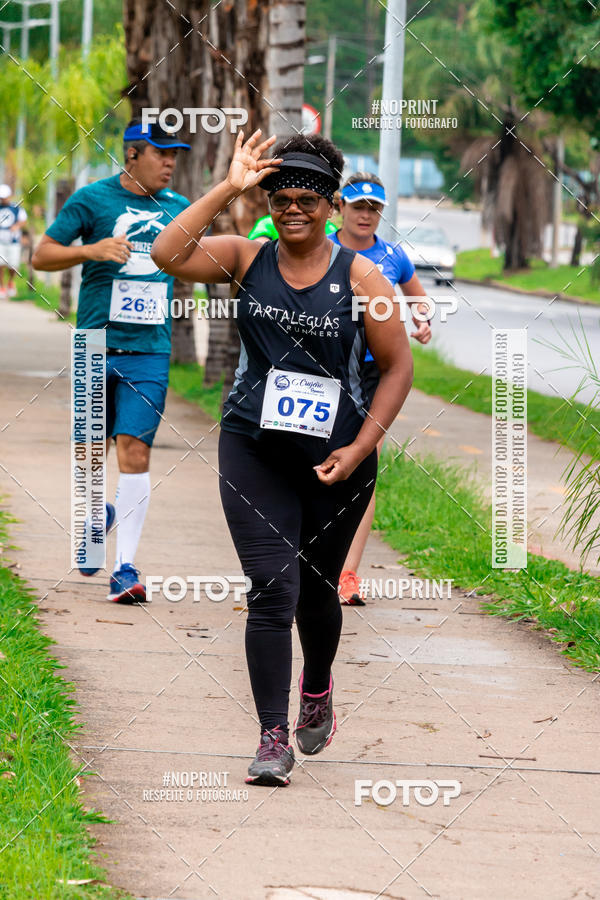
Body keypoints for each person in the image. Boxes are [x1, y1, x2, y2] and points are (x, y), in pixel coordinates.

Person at [151, 130, 413, 786]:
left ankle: (317, 682)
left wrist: (359, 449)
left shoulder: (360, 276)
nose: (294, 207)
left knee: (317, 593)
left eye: (308, 197)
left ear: (330, 205)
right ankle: (272, 737)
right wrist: (231, 187)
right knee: (273, 590)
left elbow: (399, 366)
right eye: (281, 196)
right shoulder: (247, 256)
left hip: (336, 460)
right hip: (253, 449)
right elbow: (166, 252)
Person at [32, 118, 190, 602]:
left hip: (149, 349)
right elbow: (41, 255)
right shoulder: (93, 200)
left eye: (174, 154)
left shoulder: (181, 209)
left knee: (135, 450)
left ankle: (125, 567)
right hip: (93, 344)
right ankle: (96, 515)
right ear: (131, 155)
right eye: (160, 153)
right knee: (90, 454)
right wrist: (92, 250)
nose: (169, 163)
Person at [330, 173, 432, 605]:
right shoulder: (322, 248)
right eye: (359, 207)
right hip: (323, 367)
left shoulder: (392, 256)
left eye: (374, 209)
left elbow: (418, 297)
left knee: (362, 465)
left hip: (373, 373)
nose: (367, 215)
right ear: (340, 207)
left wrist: (422, 320)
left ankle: (347, 573)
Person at [0, 184, 28, 298]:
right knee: (1, 264)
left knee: (13, 265)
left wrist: (16, 226)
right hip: (1, 241)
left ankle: (10, 283)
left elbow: (23, 220)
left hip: (13, 241)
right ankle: (1, 287)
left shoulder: (16, 207)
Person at [248, 211, 337, 243]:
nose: (293, 209)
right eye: (283, 200)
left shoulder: (329, 227)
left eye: (306, 201)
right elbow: (259, 246)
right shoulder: (267, 222)